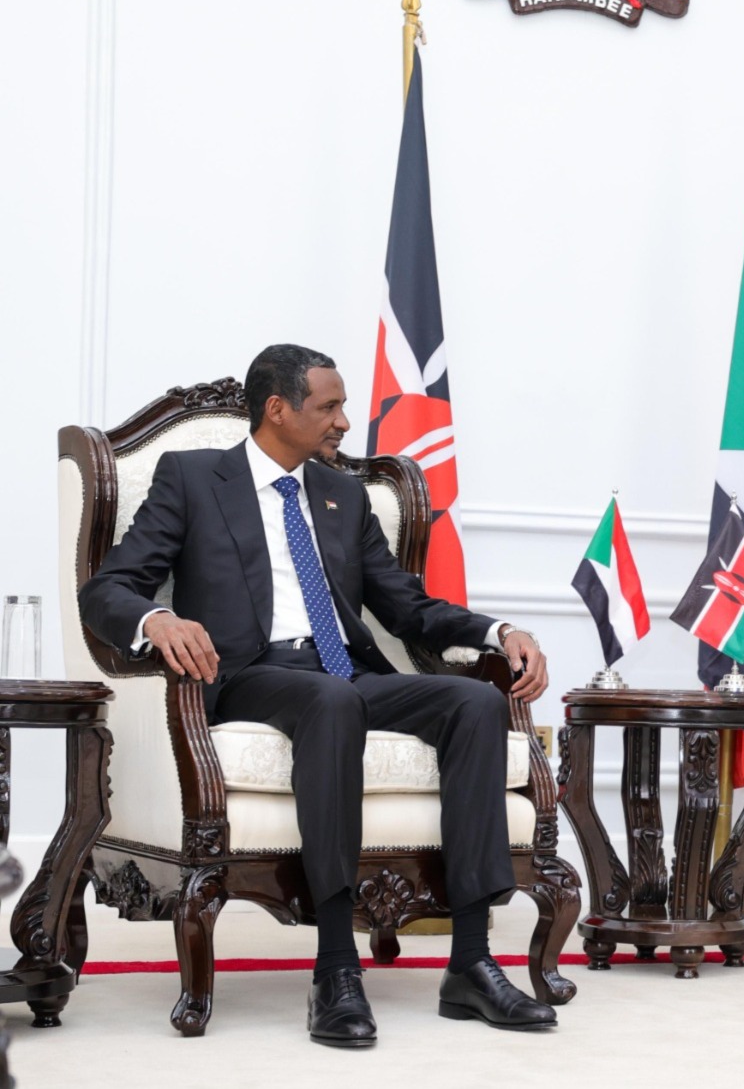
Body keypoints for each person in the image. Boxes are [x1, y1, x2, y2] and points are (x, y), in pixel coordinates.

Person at [80, 344, 555, 1047]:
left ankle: (471, 964)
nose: (343, 421)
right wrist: (158, 619)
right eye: (328, 406)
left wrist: (498, 629)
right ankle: (336, 965)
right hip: (248, 676)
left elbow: (408, 608)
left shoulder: (342, 495)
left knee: (474, 703)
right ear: (278, 408)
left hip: (345, 673)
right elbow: (107, 588)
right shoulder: (191, 478)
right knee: (332, 703)